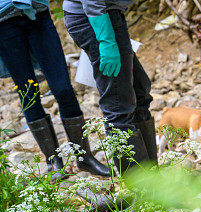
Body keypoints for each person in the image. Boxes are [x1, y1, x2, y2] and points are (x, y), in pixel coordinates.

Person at [0, 0, 110, 176]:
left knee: (63, 88)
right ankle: (53, 163)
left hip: (37, 12)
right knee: (28, 93)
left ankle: (85, 158)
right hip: (4, 21)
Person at [62, 0, 157, 173]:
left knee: (140, 92)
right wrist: (106, 40)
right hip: (95, 17)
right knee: (118, 105)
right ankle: (145, 192)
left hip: (110, 14)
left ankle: (154, 179)